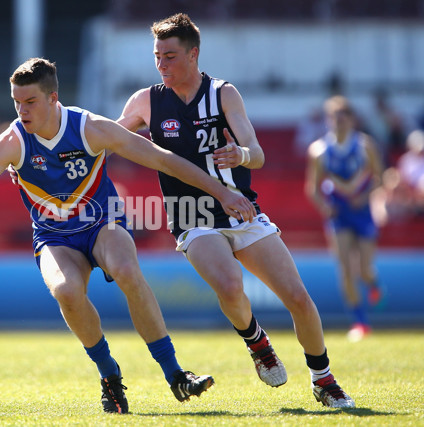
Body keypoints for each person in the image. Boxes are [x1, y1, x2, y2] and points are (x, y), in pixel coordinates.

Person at [0, 58, 259, 414]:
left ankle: (176, 373)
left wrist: (223, 192)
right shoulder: (10, 142)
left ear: (53, 97)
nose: (22, 111)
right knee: (65, 291)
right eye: (16, 103)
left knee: (127, 270)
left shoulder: (90, 127)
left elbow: (163, 159)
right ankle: (109, 374)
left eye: (30, 101)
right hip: (53, 235)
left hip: (104, 224)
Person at [115, 13, 355, 408]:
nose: (161, 65)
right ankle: (257, 342)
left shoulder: (224, 94)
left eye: (170, 56)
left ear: (193, 55)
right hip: (191, 214)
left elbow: (256, 154)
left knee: (297, 297)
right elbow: (107, 137)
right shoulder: (146, 101)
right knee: (229, 286)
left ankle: (323, 380)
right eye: (157, 56)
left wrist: (240, 154)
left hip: (242, 210)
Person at [305, 95, 384, 342]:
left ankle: (374, 284)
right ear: (328, 120)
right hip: (339, 213)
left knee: (364, 269)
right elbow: (313, 188)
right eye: (334, 117)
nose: (338, 122)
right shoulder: (319, 151)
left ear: (352, 119)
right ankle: (360, 322)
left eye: (343, 117)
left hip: (361, 211)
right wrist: (325, 207)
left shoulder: (365, 145)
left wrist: (367, 195)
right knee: (346, 268)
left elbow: (380, 177)